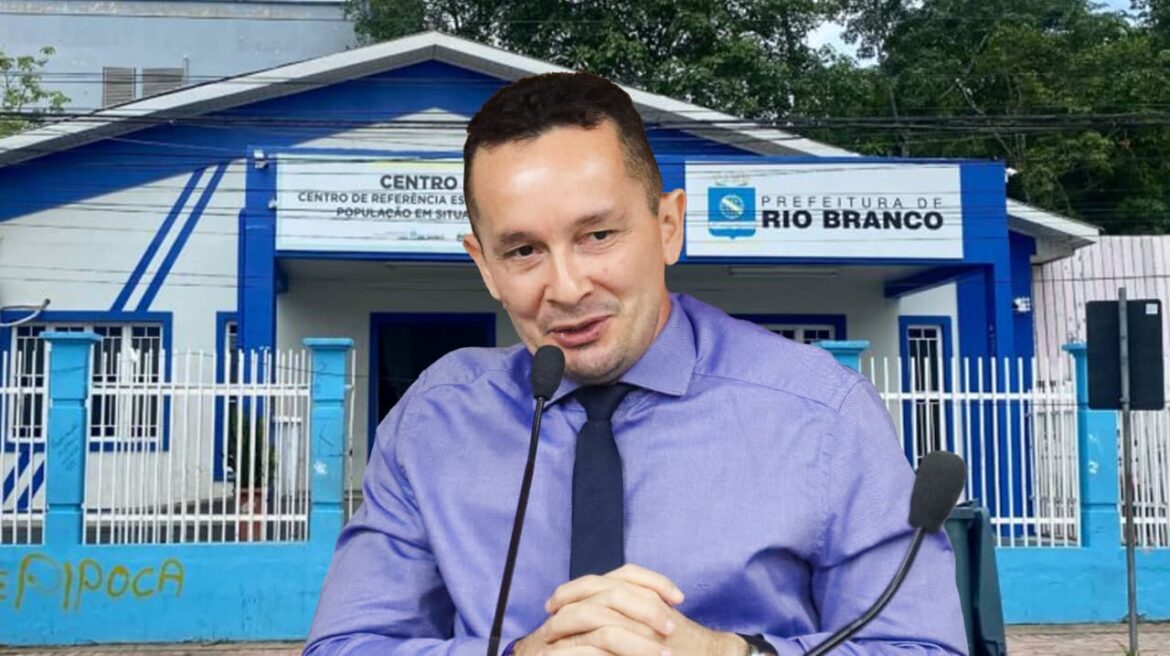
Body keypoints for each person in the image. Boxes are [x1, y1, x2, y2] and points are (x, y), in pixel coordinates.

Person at [304, 72, 968, 656]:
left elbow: (920, 645)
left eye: (598, 235)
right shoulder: (436, 421)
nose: (567, 288)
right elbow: (345, 644)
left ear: (668, 227)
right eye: (524, 251)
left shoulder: (822, 414)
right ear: (485, 267)